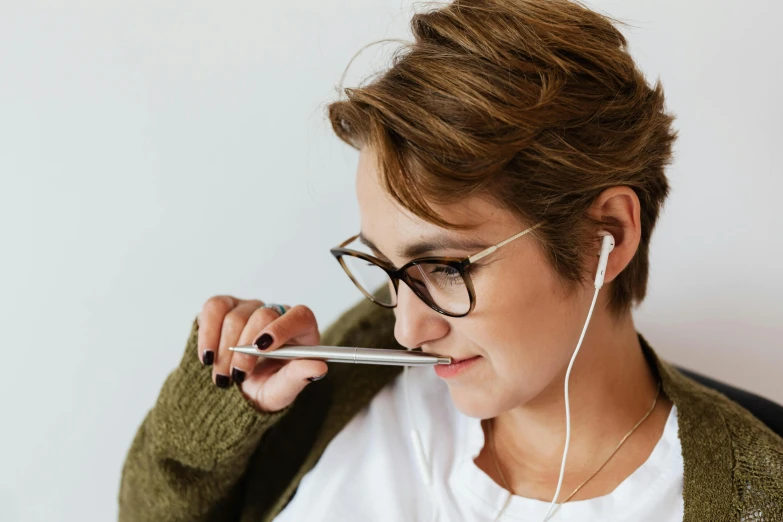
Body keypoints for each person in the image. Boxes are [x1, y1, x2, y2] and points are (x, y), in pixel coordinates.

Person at [118, 1, 783, 521]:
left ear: (604, 232)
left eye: (446, 268)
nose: (408, 330)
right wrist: (222, 420)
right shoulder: (349, 375)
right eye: (387, 268)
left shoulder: (755, 492)